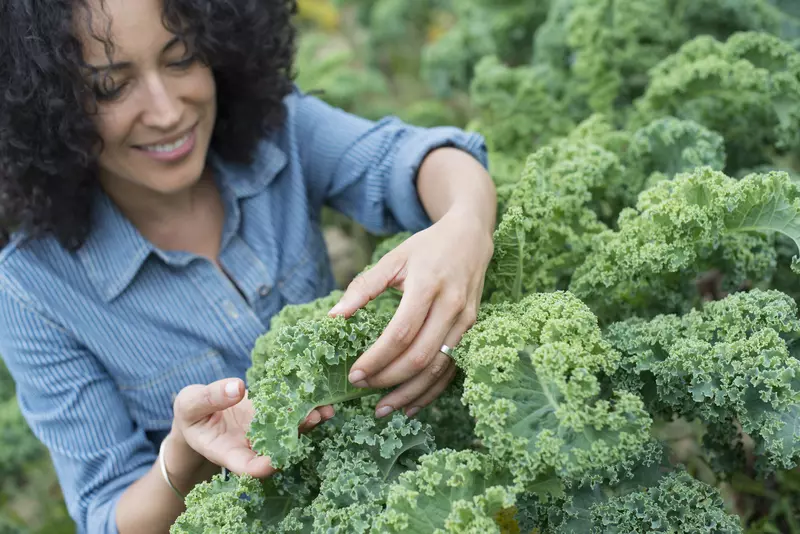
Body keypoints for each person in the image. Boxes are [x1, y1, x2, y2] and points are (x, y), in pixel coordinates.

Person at [0, 0, 496, 532]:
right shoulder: (32, 288)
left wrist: (464, 224)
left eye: (182, 57)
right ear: (45, 105)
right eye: (110, 87)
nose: (167, 111)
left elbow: (414, 158)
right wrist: (186, 454)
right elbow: (106, 515)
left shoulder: (276, 132)